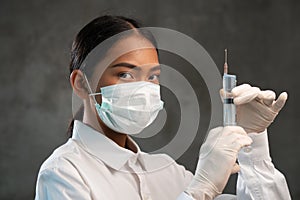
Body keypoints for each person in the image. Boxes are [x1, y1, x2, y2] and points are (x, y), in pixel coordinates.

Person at [35, 15, 291, 200]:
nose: (143, 88)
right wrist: (197, 192)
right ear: (81, 83)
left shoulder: (167, 171)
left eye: (152, 76)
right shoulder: (64, 173)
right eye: (125, 74)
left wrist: (252, 144)